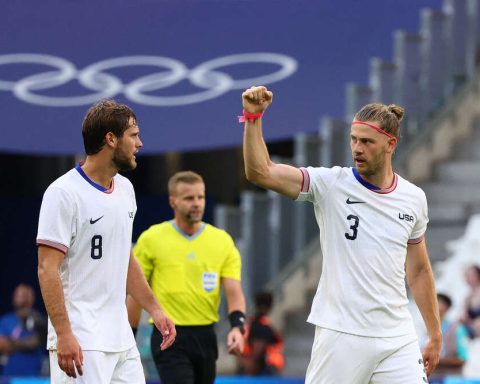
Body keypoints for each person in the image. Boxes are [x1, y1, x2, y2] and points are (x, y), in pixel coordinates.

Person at [241, 86, 442, 383]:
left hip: (396, 336)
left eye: (367, 142)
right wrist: (253, 117)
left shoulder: (413, 198)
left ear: (390, 144)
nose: (357, 148)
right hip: (341, 335)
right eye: (354, 140)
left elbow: (420, 270)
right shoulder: (331, 184)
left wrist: (435, 333)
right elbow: (261, 172)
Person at [36, 99, 176, 383]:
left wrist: (155, 308)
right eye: (134, 135)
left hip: (121, 338)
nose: (140, 143)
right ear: (111, 139)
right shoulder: (62, 193)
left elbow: (124, 257)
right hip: (81, 339)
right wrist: (63, 334)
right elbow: (47, 268)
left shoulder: (125, 189)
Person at [127, 170, 246, 384]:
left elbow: (234, 292)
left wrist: (237, 327)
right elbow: (136, 291)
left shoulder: (222, 241)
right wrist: (129, 336)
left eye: (201, 197)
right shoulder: (152, 239)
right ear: (173, 201)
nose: (197, 203)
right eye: (189, 198)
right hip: (168, 336)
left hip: (206, 336)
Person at [0, 283, 47, 376]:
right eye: (16, 294)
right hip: (9, 377)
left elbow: (40, 341)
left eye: (23, 295)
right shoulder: (6, 320)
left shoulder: (39, 319)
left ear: (31, 298)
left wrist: (12, 344)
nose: (18, 297)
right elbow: (2, 345)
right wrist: (28, 343)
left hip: (35, 377)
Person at [237, 291, 284, 376]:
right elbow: (259, 345)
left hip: (247, 366)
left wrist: (243, 362)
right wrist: (251, 365)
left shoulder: (249, 323)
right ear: (270, 306)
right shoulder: (262, 325)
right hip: (261, 369)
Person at [427, 293, 469, 377]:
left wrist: (437, 361)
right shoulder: (427, 329)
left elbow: (463, 359)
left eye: (438, 302)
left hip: (450, 378)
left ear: (446, 307)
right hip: (431, 378)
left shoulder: (457, 329)